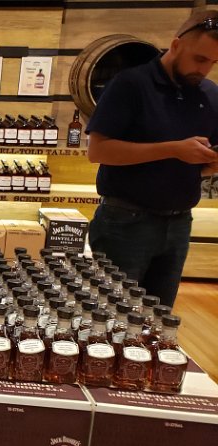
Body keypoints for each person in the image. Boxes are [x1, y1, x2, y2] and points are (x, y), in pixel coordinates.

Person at [86, 10, 218, 307]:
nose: (205, 70)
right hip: (125, 223)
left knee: (158, 320)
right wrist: (173, 149)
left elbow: (202, 163)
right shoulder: (130, 85)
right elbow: (98, 151)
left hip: (180, 223)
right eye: (200, 59)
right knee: (112, 317)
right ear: (176, 45)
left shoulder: (210, 94)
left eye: (213, 62)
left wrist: (210, 163)